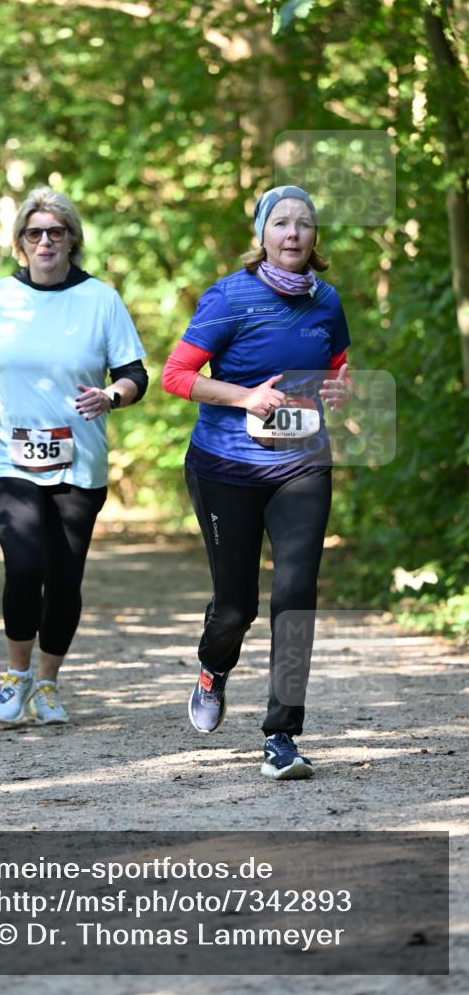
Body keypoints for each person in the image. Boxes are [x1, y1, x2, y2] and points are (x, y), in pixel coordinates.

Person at [162, 185, 352, 780]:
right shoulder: (229, 297)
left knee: (295, 594)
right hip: (225, 467)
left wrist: (340, 388)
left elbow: (336, 365)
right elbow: (176, 375)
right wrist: (246, 397)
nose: (293, 233)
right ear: (262, 235)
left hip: (301, 462)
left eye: (304, 223)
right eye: (281, 223)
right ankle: (213, 668)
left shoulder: (327, 301)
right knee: (235, 607)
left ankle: (282, 736)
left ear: (315, 236)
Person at [0, 186, 147, 727]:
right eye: (34, 233)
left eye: (55, 232)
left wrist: (111, 396)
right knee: (24, 565)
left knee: (64, 579)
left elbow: (134, 374)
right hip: (7, 455)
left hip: (79, 460)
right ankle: (15, 675)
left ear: (71, 240)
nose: (45, 241)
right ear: (21, 242)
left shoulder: (101, 299)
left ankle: (47, 683)